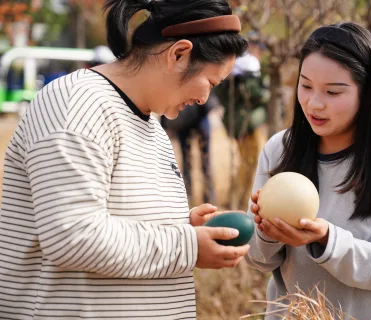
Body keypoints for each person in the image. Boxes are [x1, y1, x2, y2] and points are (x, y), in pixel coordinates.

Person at [0, 0, 250, 319]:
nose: (204, 99)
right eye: (211, 82)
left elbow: (114, 221)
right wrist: (188, 245)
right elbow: (71, 235)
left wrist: (182, 225)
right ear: (178, 54)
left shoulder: (152, 127)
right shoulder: (78, 104)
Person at [245, 22, 371, 320]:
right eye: (305, 86)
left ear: (367, 92)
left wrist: (326, 239)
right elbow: (258, 259)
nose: (314, 103)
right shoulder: (279, 150)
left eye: (332, 92)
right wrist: (266, 234)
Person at [215, 36, 269, 208]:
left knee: (247, 164)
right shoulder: (247, 68)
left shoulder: (233, 70)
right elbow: (257, 94)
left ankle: (237, 199)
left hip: (239, 123)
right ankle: (238, 200)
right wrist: (267, 95)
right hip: (246, 125)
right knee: (249, 164)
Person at [161, 93, 221, 204]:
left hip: (200, 117)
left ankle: (209, 197)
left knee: (205, 160)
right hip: (183, 121)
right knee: (186, 160)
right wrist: (165, 124)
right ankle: (187, 196)